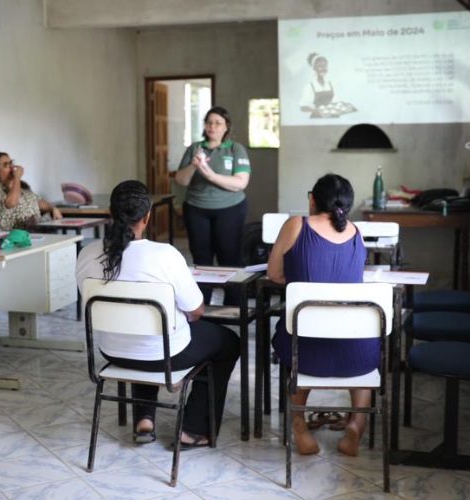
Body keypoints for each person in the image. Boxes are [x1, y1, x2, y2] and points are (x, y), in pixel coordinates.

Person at [76, 180, 239, 447]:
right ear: (148, 216)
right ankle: (193, 429)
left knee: (145, 335)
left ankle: (144, 420)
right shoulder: (165, 255)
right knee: (228, 342)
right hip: (162, 355)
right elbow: (197, 309)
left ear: (110, 212)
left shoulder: (87, 253)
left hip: (112, 352)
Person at [267, 173, 379, 457]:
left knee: (296, 332)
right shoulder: (355, 232)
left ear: (312, 199)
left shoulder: (296, 225)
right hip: (357, 354)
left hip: (304, 349)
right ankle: (356, 424)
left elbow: (275, 274)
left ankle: (299, 426)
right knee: (362, 337)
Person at [174, 107, 251, 300]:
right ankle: (201, 304)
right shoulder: (195, 148)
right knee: (201, 259)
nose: (212, 127)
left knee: (229, 258)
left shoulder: (235, 149)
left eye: (218, 123)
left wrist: (210, 175)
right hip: (196, 210)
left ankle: (233, 306)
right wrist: (194, 165)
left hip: (230, 210)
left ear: (226, 127)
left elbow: (240, 183)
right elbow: (181, 180)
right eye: (209, 122)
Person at [0, 151, 62, 231]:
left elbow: (39, 202)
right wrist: (17, 178)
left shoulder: (22, 186)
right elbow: (11, 203)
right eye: (6, 165)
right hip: (15, 237)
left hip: (38, 231)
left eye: (11, 163)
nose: (12, 168)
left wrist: (53, 208)